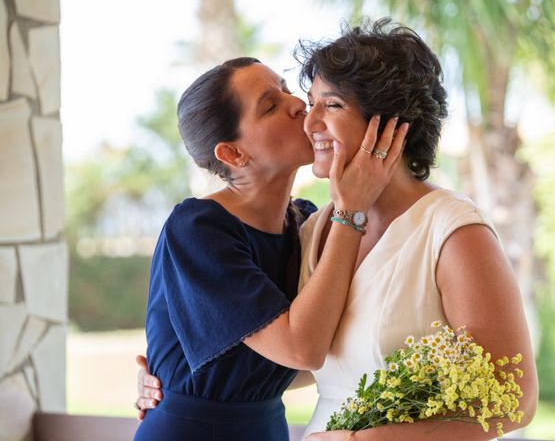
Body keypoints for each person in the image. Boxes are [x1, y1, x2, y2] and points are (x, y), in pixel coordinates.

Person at [137, 19, 538, 440]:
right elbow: (297, 349)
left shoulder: (445, 229)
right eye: (301, 102)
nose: (306, 118)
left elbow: (514, 398)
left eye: (329, 105)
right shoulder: (314, 230)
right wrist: (169, 384)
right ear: (232, 153)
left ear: (386, 120)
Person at [133, 56, 407, 441]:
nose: (298, 104)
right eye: (270, 106)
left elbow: (326, 352)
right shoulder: (199, 229)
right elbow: (302, 349)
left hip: (266, 428)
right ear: (232, 154)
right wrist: (351, 211)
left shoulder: (308, 224)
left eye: (286, 89)